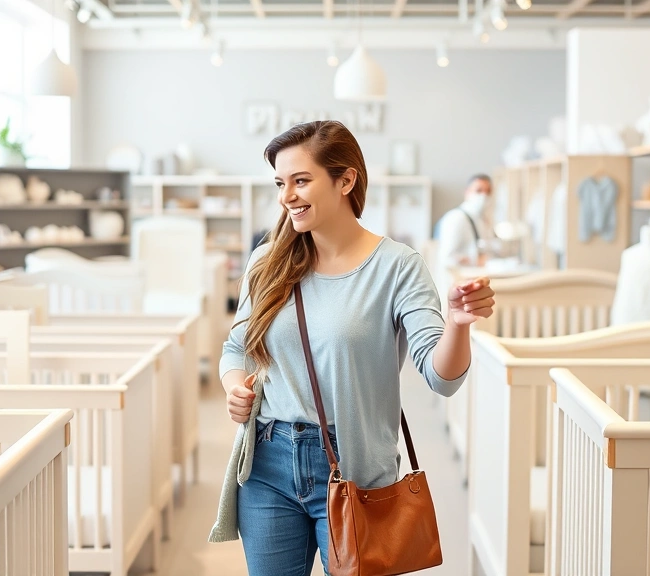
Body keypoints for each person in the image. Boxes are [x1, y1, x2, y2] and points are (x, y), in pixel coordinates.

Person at [208, 120, 496, 576]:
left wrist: (459, 325)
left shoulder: (397, 267)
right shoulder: (267, 261)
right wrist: (233, 387)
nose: (287, 196)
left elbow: (442, 379)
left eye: (301, 181)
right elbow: (236, 347)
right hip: (266, 463)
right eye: (281, 183)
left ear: (345, 180)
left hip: (355, 468)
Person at [435, 174, 493, 271]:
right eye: (479, 190)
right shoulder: (456, 218)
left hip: (476, 275)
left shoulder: (481, 219)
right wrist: (472, 260)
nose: (484, 196)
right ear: (467, 192)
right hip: (459, 280)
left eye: (488, 192)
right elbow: (446, 259)